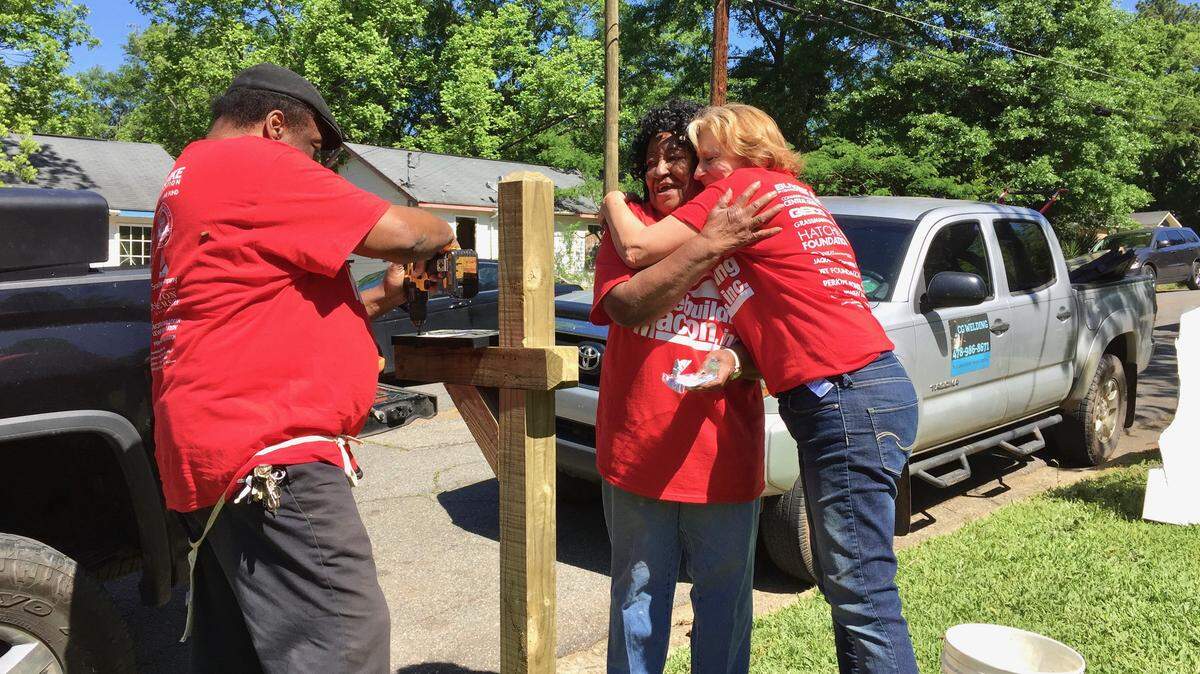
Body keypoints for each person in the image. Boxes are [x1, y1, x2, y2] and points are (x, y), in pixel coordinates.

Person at [149, 63, 455, 673]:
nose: (315, 166)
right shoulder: (253, 163)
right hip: (271, 454)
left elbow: (253, 311)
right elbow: (402, 230)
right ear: (275, 124)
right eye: (314, 148)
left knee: (245, 653)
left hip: (210, 453)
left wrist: (383, 299)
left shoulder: (188, 178)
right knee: (343, 643)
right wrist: (442, 233)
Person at [603, 103, 920, 674]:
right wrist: (733, 347)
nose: (685, 172)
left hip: (811, 413)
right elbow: (631, 301)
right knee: (849, 590)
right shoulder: (780, 200)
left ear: (742, 152)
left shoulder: (743, 196)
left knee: (857, 595)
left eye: (693, 157)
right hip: (658, 448)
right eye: (653, 159)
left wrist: (626, 211)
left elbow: (641, 253)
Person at [590, 100, 783, 674]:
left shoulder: (748, 228)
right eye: (650, 160)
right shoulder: (632, 234)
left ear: (702, 166)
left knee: (724, 607)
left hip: (724, 456)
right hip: (637, 455)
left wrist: (738, 358)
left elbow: (778, 336)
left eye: (676, 156)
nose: (660, 170)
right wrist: (706, 246)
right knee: (636, 604)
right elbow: (626, 307)